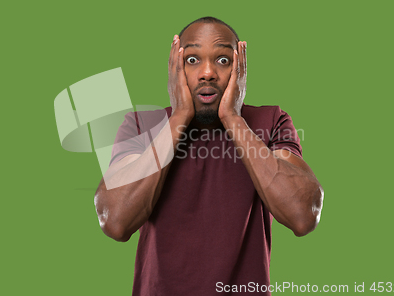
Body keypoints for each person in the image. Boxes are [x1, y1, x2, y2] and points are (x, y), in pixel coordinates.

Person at [94, 17, 324, 295]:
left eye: (223, 61)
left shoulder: (271, 121)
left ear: (241, 69)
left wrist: (233, 118)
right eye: (192, 60)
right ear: (174, 67)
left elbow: (303, 216)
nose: (207, 73)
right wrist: (179, 116)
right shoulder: (142, 125)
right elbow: (115, 221)